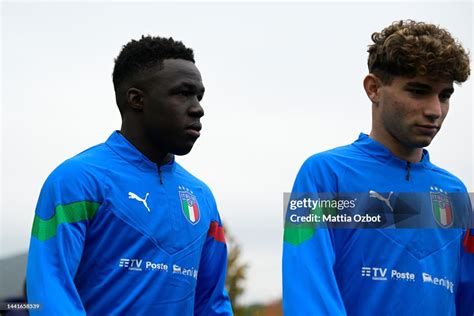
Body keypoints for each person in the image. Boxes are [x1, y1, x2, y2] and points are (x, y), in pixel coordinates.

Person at [26, 35, 233, 315]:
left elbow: (212, 304)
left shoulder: (202, 197)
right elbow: (50, 291)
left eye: (199, 96)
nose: (198, 108)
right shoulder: (78, 180)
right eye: (183, 93)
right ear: (136, 99)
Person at [283, 20, 473, 315]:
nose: (435, 110)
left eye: (444, 95)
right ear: (374, 89)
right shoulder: (324, 175)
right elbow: (308, 294)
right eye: (418, 91)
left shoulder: (456, 194)